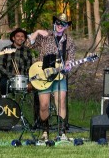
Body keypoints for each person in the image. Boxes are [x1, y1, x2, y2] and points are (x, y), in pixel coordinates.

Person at [28, 13, 76, 141]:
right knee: (44, 104)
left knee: (61, 102)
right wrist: (37, 31)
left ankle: (62, 132)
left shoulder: (69, 41)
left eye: (64, 24)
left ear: (66, 26)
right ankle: (45, 131)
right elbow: (28, 44)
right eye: (58, 23)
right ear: (55, 23)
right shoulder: (45, 36)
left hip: (59, 76)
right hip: (43, 74)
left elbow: (71, 59)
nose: (60, 26)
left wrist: (68, 65)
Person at [0, 27, 34, 96]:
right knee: (3, 83)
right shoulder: (5, 49)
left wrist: (29, 80)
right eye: (18, 36)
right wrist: (12, 76)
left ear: (25, 39)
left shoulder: (28, 51)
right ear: (13, 38)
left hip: (23, 79)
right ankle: (4, 102)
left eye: (22, 36)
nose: (20, 38)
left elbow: (30, 68)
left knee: (35, 88)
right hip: (8, 78)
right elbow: (0, 66)